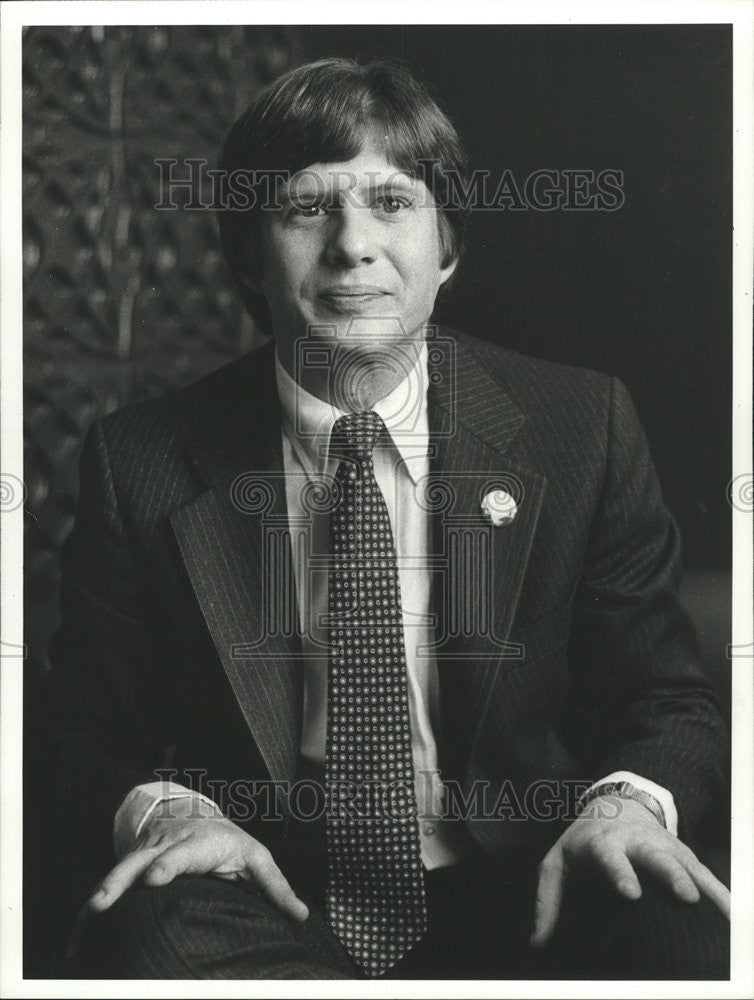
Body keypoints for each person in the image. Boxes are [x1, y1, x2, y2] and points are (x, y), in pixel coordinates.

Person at [46, 57, 730, 980]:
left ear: (447, 247)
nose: (350, 246)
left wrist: (626, 806)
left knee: (689, 931)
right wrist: (170, 813)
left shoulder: (583, 425)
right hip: (267, 892)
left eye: (392, 203)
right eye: (305, 207)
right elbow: (86, 734)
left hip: (537, 879)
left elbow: (666, 702)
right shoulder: (139, 459)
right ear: (248, 253)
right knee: (152, 936)